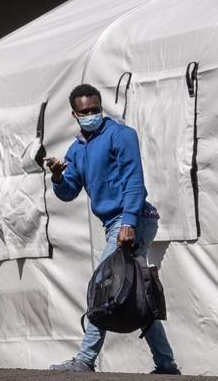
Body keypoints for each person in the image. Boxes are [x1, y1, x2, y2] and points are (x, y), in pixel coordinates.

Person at [44, 84, 179, 374]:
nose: (91, 115)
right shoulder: (77, 149)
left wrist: (128, 221)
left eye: (95, 109)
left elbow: (134, 181)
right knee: (134, 291)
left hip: (133, 219)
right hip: (114, 224)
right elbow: (69, 191)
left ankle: (85, 359)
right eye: (85, 112)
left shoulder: (121, 135)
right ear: (74, 114)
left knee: (104, 286)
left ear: (101, 107)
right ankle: (166, 365)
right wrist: (57, 177)